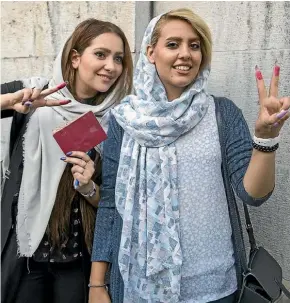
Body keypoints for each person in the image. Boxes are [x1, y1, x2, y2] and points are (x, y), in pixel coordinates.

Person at [89, 8, 290, 303]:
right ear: (151, 52)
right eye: (173, 44)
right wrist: (97, 285)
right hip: (139, 288)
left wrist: (266, 138)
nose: (186, 54)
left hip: (215, 289)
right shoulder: (124, 120)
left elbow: (252, 195)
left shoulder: (222, 113)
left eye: (194, 45)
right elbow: (109, 204)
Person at [1, 18, 133, 303]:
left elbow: (115, 201)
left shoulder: (117, 120)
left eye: (118, 58)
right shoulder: (33, 95)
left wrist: (89, 187)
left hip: (77, 258)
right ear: (75, 57)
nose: (111, 66)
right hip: (24, 255)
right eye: (101, 54)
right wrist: (8, 102)